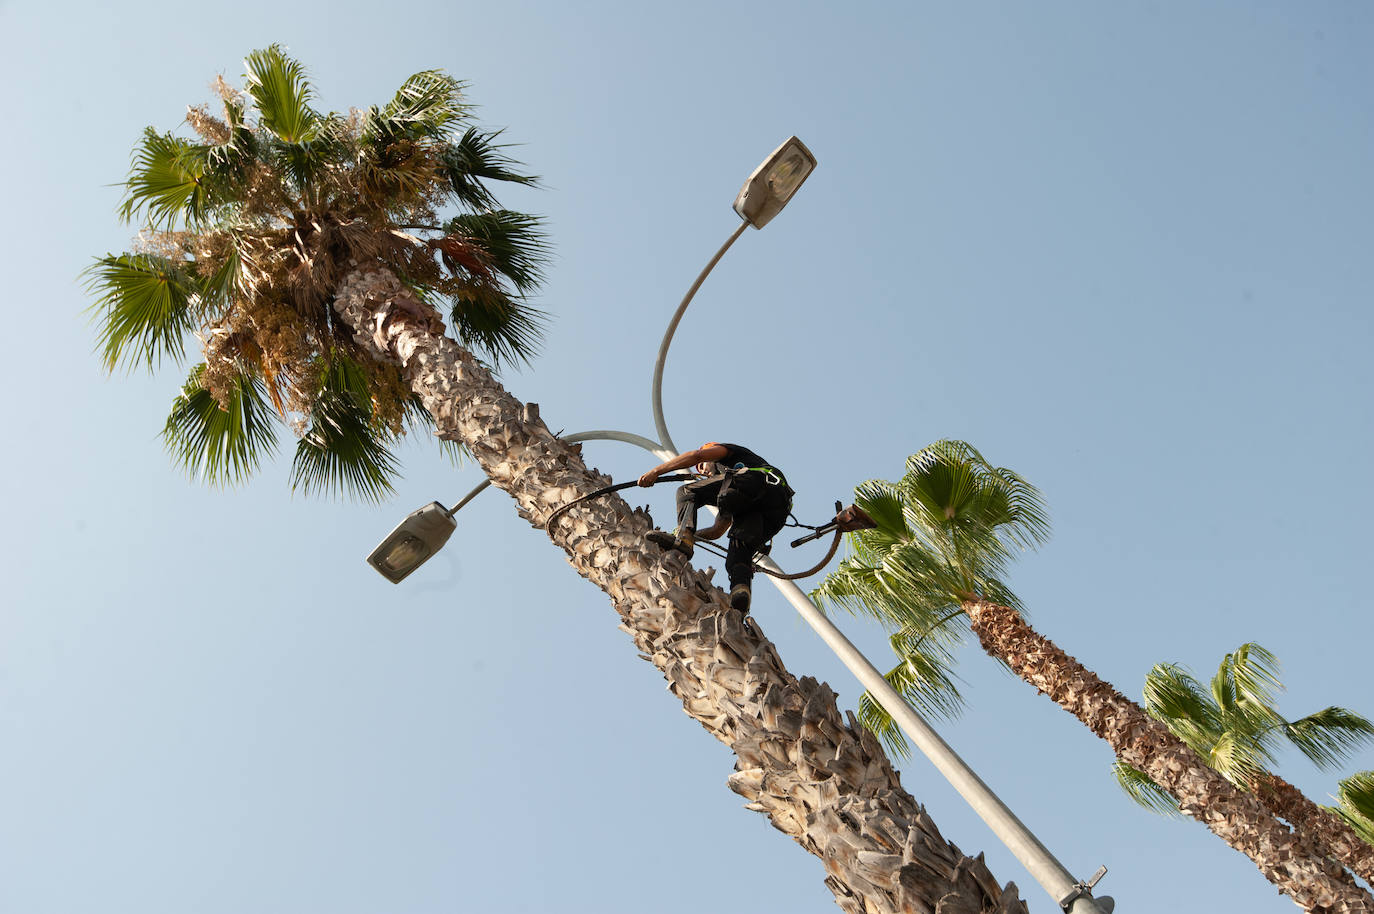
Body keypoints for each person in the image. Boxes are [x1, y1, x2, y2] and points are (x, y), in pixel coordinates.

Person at [637, 441, 793, 614]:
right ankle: (740, 596)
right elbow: (717, 529)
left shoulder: (729, 455)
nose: (702, 471)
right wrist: (690, 536)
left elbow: (697, 455)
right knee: (738, 547)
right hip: (776, 510)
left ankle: (683, 538)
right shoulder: (732, 489)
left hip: (756, 482)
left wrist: (656, 472)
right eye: (699, 469)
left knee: (686, 492)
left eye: (702, 466)